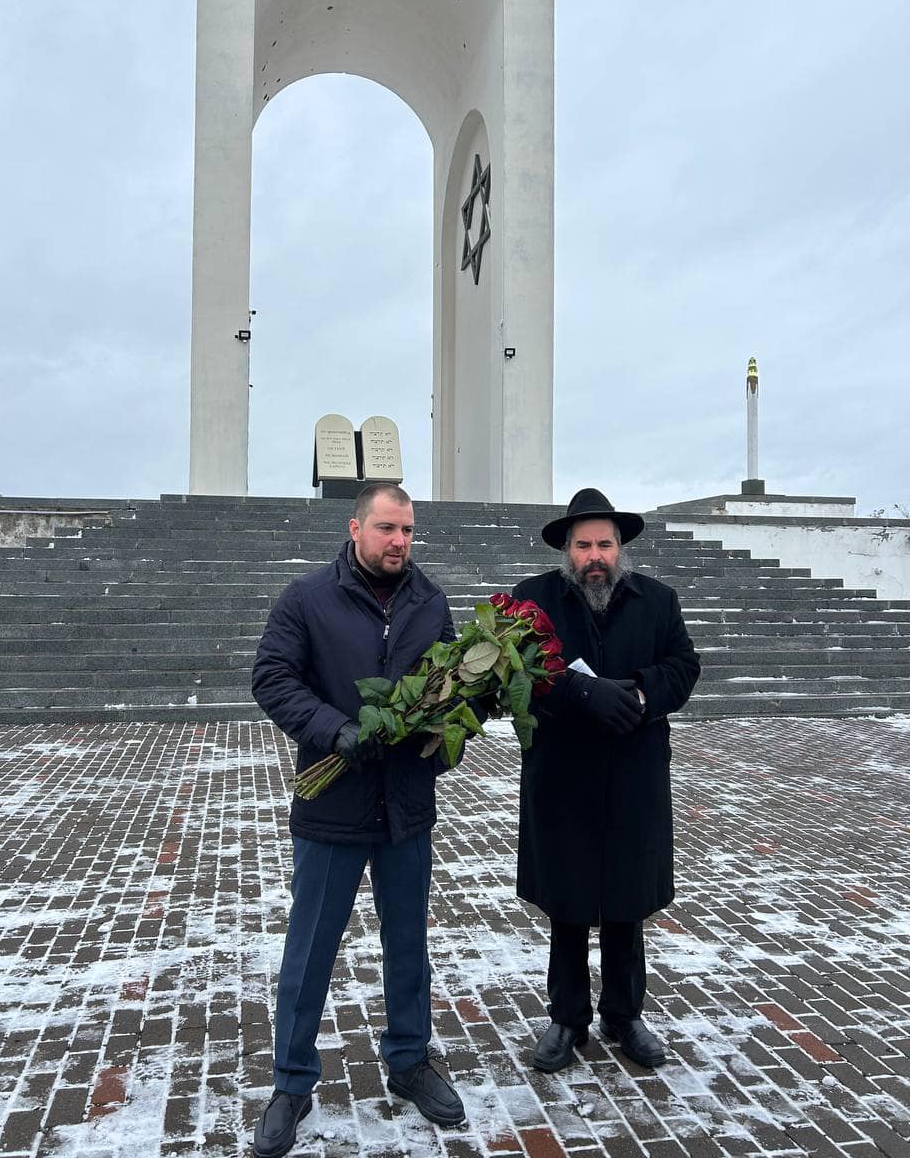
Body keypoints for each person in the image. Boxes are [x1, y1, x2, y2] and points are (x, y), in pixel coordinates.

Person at [250, 483, 466, 1158]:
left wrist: (442, 733)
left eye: (407, 530)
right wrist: (337, 730)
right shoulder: (308, 598)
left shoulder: (432, 603)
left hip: (405, 807)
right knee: (310, 949)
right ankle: (291, 1081)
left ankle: (408, 1061)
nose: (399, 541)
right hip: (332, 807)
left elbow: (459, 685)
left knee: (409, 945)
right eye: (386, 529)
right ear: (355, 529)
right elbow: (272, 677)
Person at [512, 488, 700, 1073]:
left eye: (605, 544)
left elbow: (684, 665)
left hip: (633, 772)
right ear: (567, 549)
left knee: (625, 897)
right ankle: (567, 1017)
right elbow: (517, 668)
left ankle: (624, 1013)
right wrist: (580, 692)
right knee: (568, 899)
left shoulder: (657, 600)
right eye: (584, 544)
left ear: (621, 548)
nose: (595, 555)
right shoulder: (532, 600)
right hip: (563, 771)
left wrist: (640, 693)